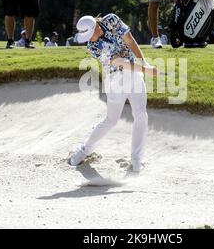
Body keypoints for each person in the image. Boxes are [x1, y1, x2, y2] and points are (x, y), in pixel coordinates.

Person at [68, 14, 160, 173]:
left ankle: (137, 160)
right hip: (115, 79)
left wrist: (144, 62)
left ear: (96, 26)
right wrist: (146, 69)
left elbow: (130, 40)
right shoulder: (93, 46)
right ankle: (84, 151)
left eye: (91, 35)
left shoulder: (112, 20)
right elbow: (119, 62)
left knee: (141, 115)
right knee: (111, 120)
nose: (91, 39)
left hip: (134, 74)